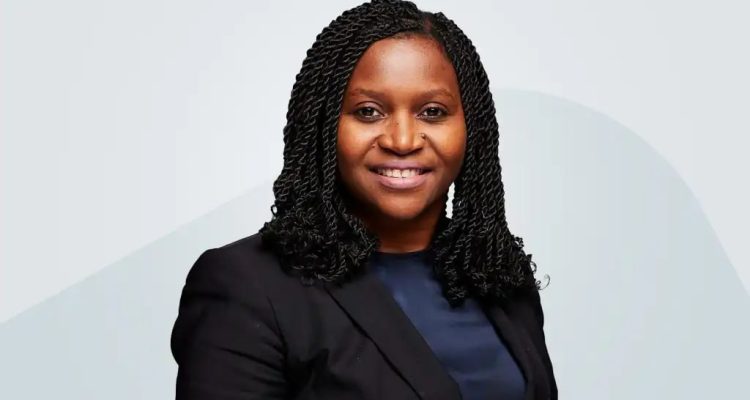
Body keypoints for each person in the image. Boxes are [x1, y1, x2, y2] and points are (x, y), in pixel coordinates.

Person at [170, 0, 557, 399]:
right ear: (323, 126)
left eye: (432, 111)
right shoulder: (247, 286)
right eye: (369, 111)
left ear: (471, 126)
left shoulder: (494, 273)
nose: (402, 140)